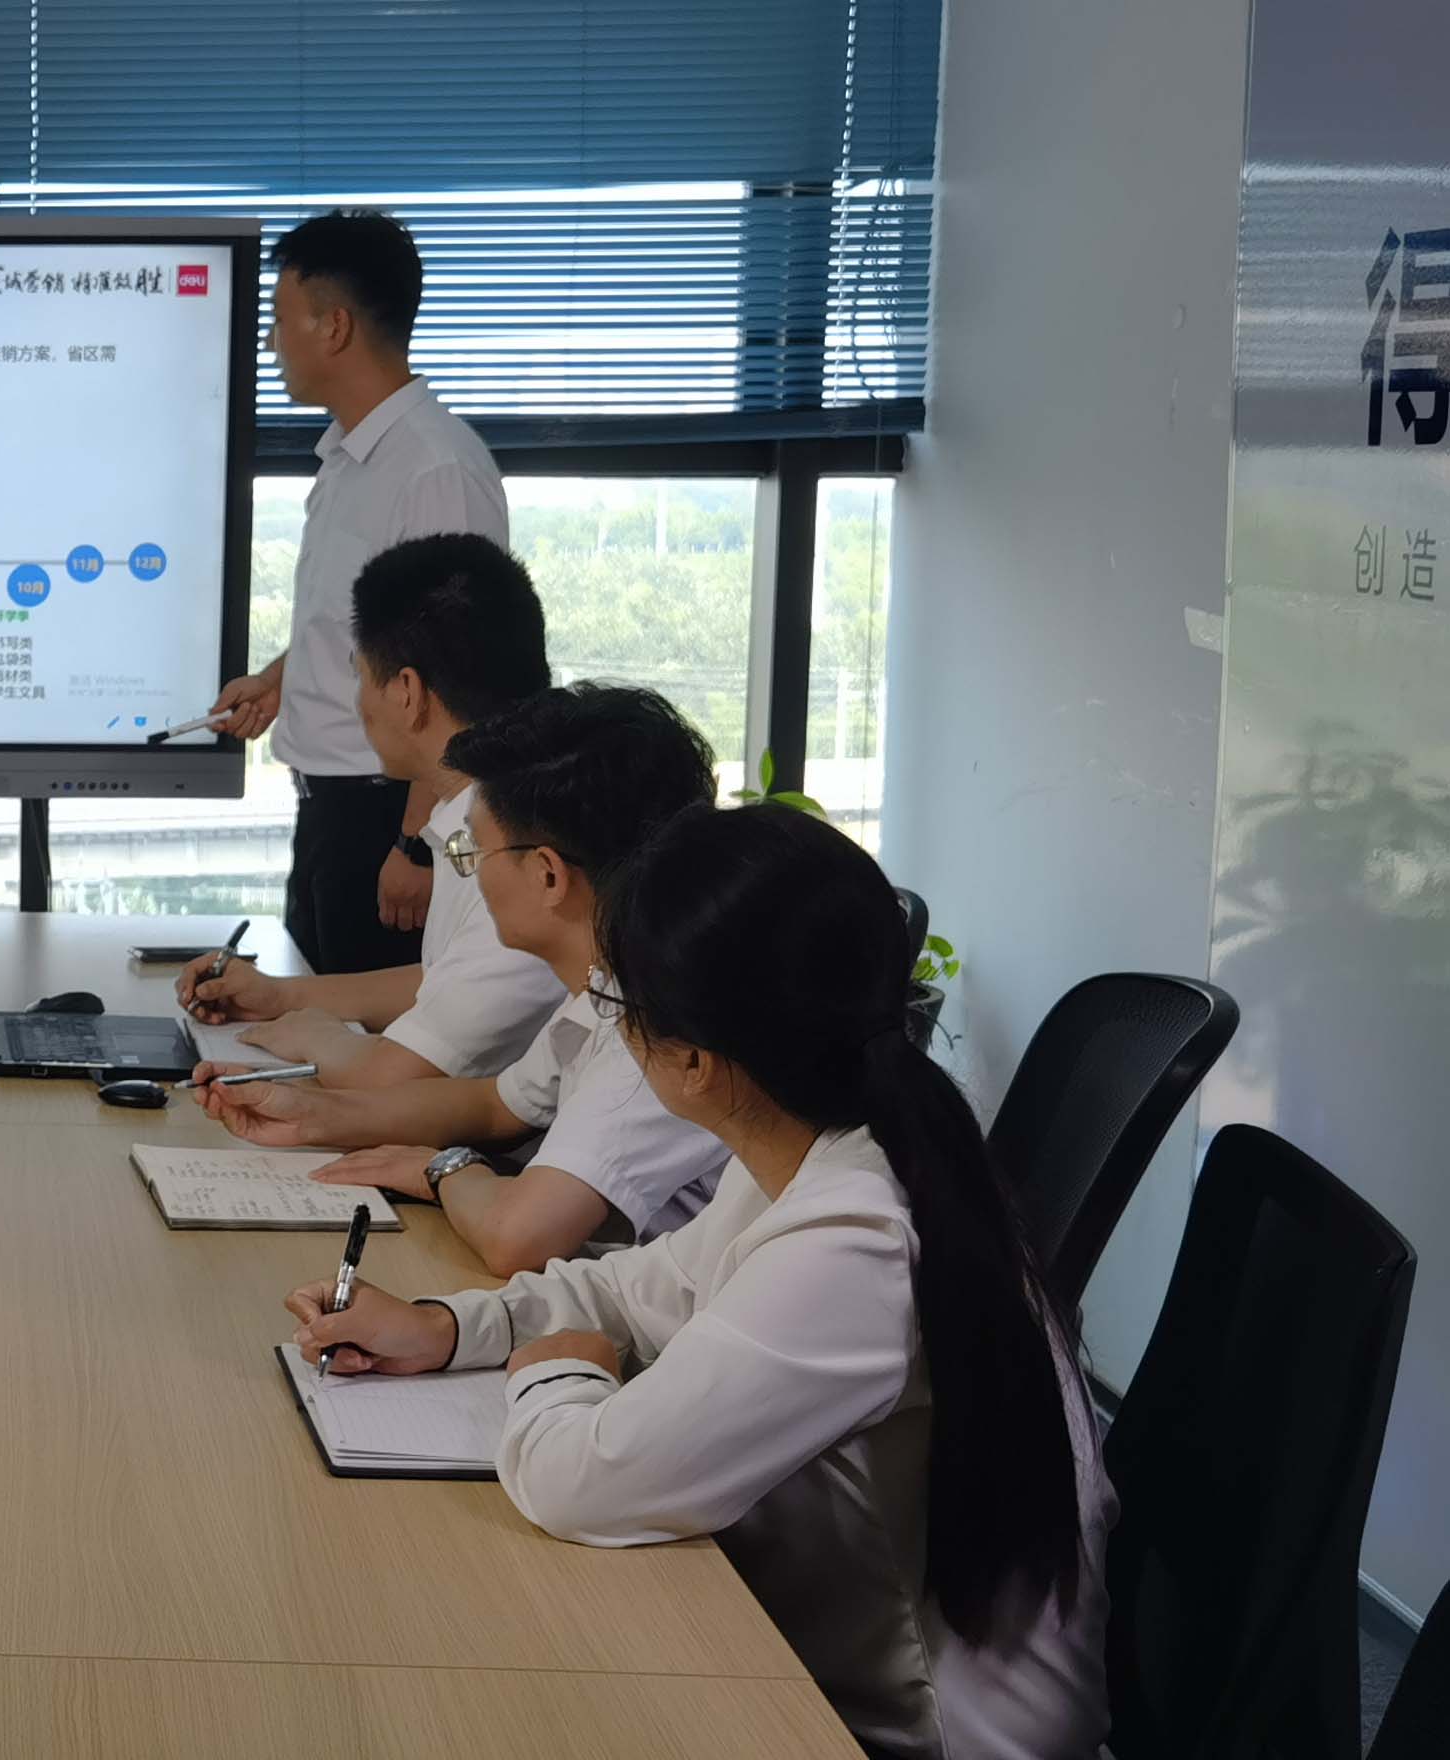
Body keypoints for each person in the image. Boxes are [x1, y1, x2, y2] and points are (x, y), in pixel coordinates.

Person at [286, 805, 1112, 1758]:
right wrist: (446, 1326)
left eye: (617, 1006)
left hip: (908, 1738)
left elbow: (581, 1484)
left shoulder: (854, 1243)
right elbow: (638, 1289)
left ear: (691, 1061)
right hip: (827, 1665)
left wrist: (556, 1371)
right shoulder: (828, 1151)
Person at [196, 684, 728, 1276]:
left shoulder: (663, 1025)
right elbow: (493, 1105)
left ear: (548, 876)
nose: (469, 873)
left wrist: (440, 1169)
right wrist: (312, 1113)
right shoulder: (607, 984)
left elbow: (517, 1236)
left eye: (475, 849)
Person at [201, 209, 509, 977]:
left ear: (334, 326)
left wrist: (417, 844)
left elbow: (456, 678)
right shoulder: (349, 456)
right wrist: (281, 679)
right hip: (331, 813)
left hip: (387, 820)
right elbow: (365, 626)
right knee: (312, 1017)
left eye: (280, 321)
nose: (270, 343)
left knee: (364, 1034)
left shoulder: (434, 468)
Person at [178, 532, 563, 1086]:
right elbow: (447, 983)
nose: (358, 703)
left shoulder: (514, 849)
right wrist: (280, 997)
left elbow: (400, 1075)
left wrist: (312, 1036)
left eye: (359, 675)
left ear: (407, 692)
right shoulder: (483, 811)